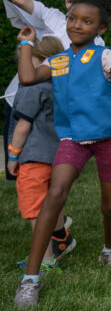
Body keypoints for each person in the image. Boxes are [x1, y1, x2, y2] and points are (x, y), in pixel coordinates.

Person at [13, 0, 111, 308]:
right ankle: (30, 279)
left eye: (86, 22)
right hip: (72, 139)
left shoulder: (104, 55)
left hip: (109, 139)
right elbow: (28, 78)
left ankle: (110, 251)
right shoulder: (58, 60)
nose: (76, 25)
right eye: (73, 19)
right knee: (55, 194)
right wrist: (25, 44)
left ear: (100, 29)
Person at [6, 0, 105, 177]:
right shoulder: (55, 17)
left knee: (50, 166)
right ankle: (35, 209)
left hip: (55, 109)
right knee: (22, 166)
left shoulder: (96, 41)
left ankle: (51, 211)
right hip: (24, 98)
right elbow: (19, 0)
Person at [7, 36, 74, 270]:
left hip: (34, 158)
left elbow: (23, 127)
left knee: (35, 210)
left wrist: (13, 156)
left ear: (39, 61)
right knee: (52, 203)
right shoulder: (64, 86)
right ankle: (60, 242)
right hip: (60, 157)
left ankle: (45, 259)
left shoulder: (31, 86)